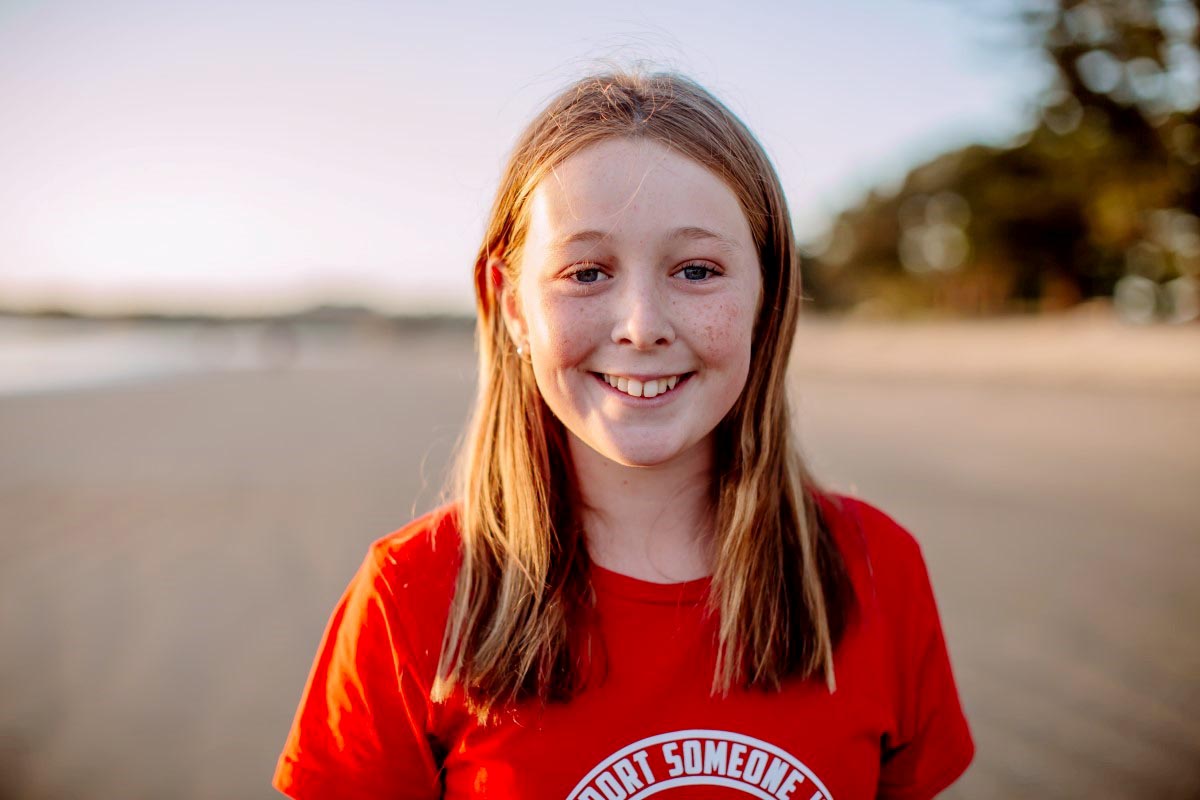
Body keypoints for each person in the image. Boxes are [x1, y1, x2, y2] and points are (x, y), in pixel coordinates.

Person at [272, 70, 974, 799]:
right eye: (586, 272)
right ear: (510, 305)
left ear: (767, 295)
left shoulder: (875, 572)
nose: (641, 326)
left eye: (697, 269)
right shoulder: (409, 598)